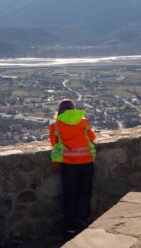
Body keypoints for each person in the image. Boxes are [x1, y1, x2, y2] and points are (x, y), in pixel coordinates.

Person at [49, 99, 96, 239]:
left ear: (59, 111)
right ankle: (81, 224)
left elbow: (54, 143)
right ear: (73, 109)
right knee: (85, 194)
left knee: (70, 196)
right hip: (87, 162)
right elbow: (92, 137)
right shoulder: (84, 122)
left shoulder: (56, 125)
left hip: (69, 164)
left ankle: (69, 228)